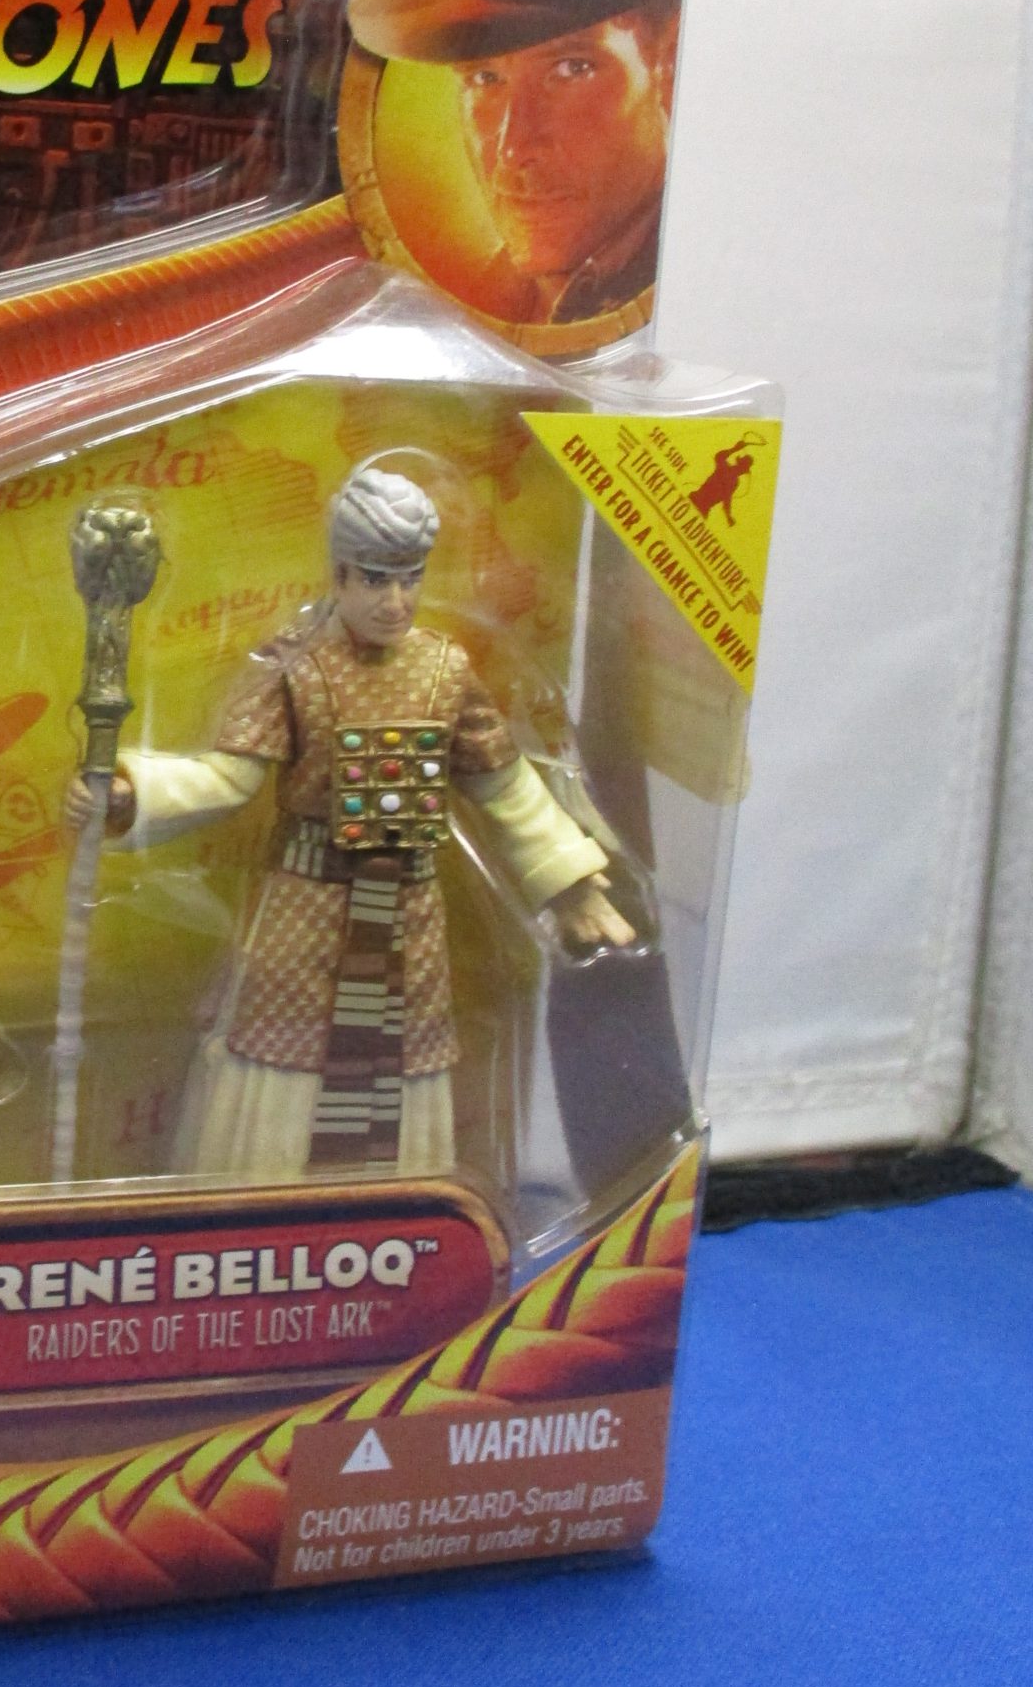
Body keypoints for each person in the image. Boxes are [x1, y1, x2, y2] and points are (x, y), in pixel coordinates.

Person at [63, 466, 633, 1179]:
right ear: (338, 573)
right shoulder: (292, 669)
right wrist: (128, 797)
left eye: (410, 579)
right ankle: (259, 1207)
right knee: (282, 1056)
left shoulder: (446, 670)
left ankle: (393, 1211)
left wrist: (572, 887)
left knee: (393, 1072)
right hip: (304, 910)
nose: (396, 602)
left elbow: (505, 785)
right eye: (375, 579)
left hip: (407, 920)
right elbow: (228, 778)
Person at [347, 0, 685, 332]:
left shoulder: (704, 276)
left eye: (571, 69)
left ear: (668, 58)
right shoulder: (482, 297)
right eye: (485, 78)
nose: (514, 146)